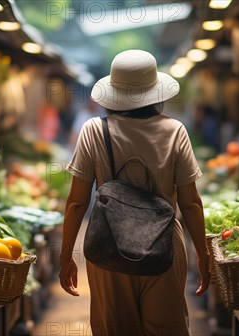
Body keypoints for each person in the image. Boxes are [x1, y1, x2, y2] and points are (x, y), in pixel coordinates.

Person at [59, 49, 210, 335]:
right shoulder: (175, 131)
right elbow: (191, 204)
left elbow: (77, 203)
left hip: (108, 247)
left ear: (114, 94)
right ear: (156, 93)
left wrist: (66, 257)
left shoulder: (93, 131)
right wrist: (203, 255)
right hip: (166, 250)